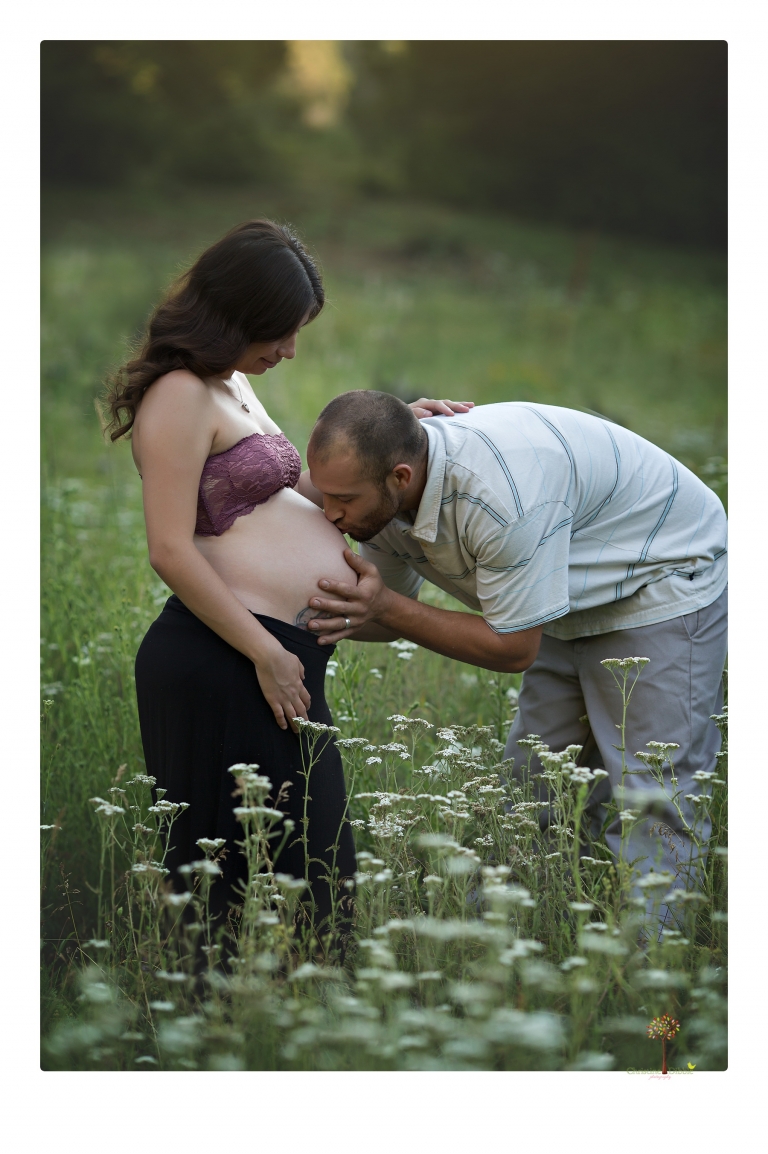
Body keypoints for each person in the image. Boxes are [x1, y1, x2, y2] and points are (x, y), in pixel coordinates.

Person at [106, 220, 468, 938]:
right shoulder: (180, 394)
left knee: (318, 875)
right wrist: (266, 654)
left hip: (271, 659)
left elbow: (292, 485)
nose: (290, 350)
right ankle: (214, 1027)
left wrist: (395, 436)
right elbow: (170, 551)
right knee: (238, 889)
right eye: (280, 330)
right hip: (229, 658)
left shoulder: (230, 383)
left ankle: (298, 1023)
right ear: (234, 312)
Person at [302, 390, 728, 913]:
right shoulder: (380, 504)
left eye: (343, 499)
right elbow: (381, 617)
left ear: (401, 477)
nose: (330, 513)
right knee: (533, 787)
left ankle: (650, 969)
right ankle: (498, 938)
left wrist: (384, 607)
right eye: (324, 495)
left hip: (658, 576)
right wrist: (264, 629)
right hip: (563, 594)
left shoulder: (498, 496)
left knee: (654, 792)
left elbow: (510, 648)